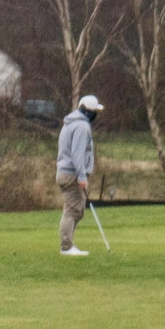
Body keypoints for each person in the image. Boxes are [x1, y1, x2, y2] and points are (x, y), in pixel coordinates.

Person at [57, 94, 101, 255]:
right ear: (89, 112)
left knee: (78, 210)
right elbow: (77, 155)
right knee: (72, 210)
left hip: (67, 173)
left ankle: (68, 245)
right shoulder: (81, 126)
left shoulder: (71, 123)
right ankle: (66, 247)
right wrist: (82, 176)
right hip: (72, 175)